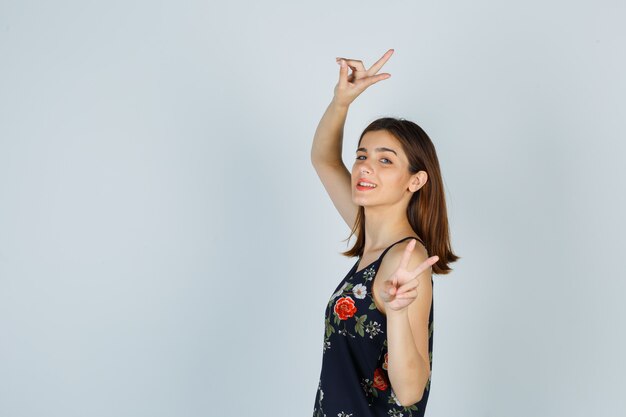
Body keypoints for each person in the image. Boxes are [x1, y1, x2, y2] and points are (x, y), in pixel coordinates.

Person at [310, 49, 460, 417]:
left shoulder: (403, 259)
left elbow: (409, 392)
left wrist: (396, 313)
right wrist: (341, 102)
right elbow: (324, 159)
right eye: (362, 155)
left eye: (385, 160)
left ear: (415, 180)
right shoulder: (372, 238)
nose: (365, 167)